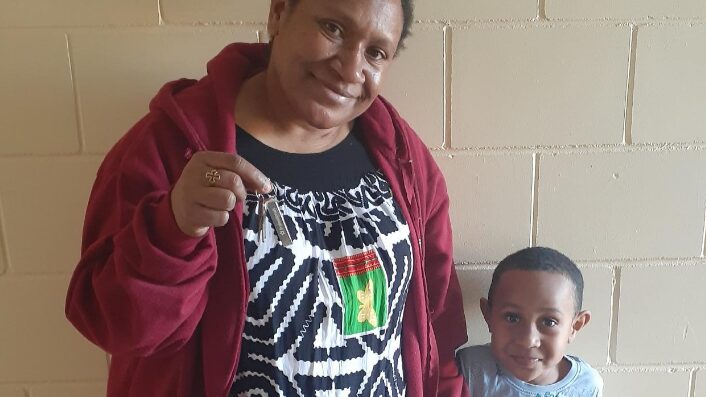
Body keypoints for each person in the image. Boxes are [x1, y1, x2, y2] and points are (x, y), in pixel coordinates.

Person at [65, 0, 470, 396]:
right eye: (333, 28)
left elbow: (438, 322)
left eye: (376, 52)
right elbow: (111, 323)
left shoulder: (402, 159)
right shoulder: (170, 147)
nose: (350, 69)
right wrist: (173, 228)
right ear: (278, 13)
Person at [457, 247, 603, 397]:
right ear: (488, 315)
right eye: (512, 318)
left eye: (549, 322)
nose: (528, 341)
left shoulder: (585, 387)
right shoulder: (472, 368)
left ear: (575, 327)